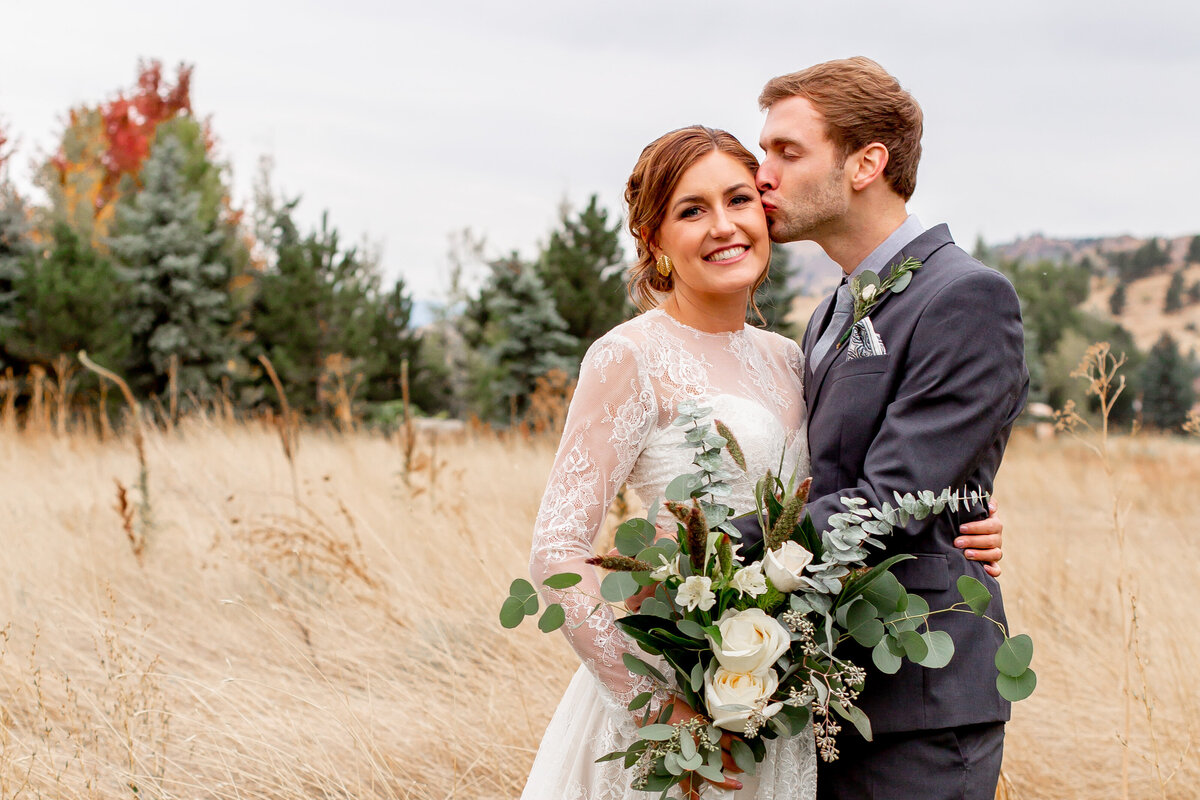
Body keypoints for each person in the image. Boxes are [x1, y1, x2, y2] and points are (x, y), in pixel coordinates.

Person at [524, 123, 1005, 800]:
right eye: (692, 211)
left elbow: (865, 486)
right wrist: (664, 710)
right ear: (655, 241)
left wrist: (954, 511)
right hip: (675, 706)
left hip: (778, 705)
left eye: (739, 200)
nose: (724, 226)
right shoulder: (628, 357)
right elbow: (555, 553)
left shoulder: (793, 354)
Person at [754, 58, 1029, 800]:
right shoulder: (827, 313)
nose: (762, 177)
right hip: (824, 690)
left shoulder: (967, 296)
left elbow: (893, 498)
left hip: (922, 704)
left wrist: (716, 556)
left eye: (787, 151)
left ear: (866, 162)